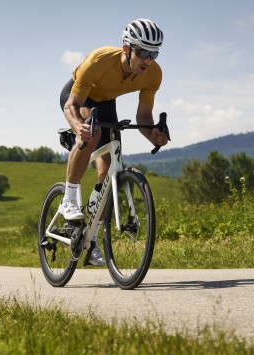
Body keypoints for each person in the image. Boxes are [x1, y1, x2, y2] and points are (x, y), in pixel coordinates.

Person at [58, 18, 169, 266]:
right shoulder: (99, 61)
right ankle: (68, 199)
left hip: (107, 104)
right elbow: (71, 105)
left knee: (110, 172)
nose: (148, 60)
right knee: (93, 133)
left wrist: (154, 135)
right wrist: (78, 126)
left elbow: (143, 117)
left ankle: (92, 241)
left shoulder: (154, 74)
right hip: (79, 97)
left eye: (154, 53)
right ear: (127, 49)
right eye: (143, 52)